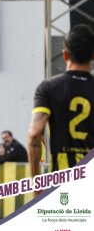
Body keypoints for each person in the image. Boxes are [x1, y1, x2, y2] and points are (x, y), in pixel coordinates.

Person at [28, 24, 94, 196]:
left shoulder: (48, 88)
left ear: (65, 54)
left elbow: (35, 134)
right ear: (92, 56)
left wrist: (37, 184)